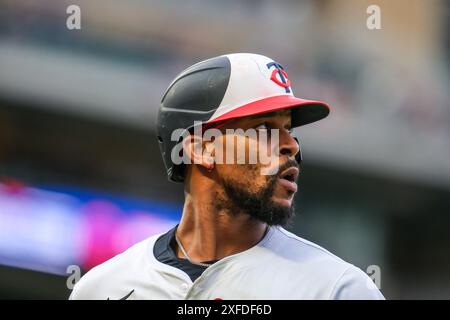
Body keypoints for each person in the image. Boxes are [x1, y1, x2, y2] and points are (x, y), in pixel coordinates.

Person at [70, 53, 384, 299]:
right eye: (265, 129)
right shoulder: (102, 288)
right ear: (202, 150)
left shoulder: (336, 290)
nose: (291, 146)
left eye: (288, 130)